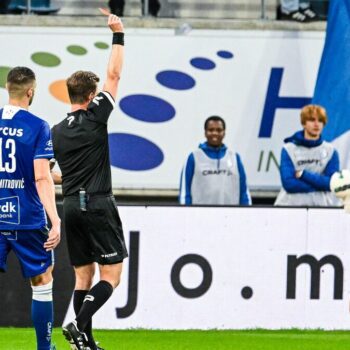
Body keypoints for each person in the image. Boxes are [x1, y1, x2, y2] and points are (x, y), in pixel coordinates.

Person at [51, 9, 128, 350]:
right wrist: (118, 34)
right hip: (96, 202)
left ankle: (86, 342)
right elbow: (114, 73)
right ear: (90, 96)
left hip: (69, 204)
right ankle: (78, 322)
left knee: (84, 275)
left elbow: (51, 174)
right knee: (111, 275)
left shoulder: (55, 131)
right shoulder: (96, 118)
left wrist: (64, 183)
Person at [0, 67, 61, 350]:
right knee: (42, 278)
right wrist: (55, 219)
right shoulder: (38, 126)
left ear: (7, 88)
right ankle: (44, 348)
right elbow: (40, 176)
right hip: (26, 217)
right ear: (30, 91)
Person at [275, 104, 341, 207]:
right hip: (289, 208)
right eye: (312, 120)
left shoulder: (331, 151)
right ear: (304, 123)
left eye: (320, 121)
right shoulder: (288, 149)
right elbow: (289, 184)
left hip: (322, 209)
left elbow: (331, 183)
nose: (316, 124)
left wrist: (303, 175)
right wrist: (319, 184)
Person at [179, 116, 251, 205]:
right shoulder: (194, 157)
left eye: (219, 130)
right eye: (211, 130)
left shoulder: (234, 157)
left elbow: (244, 192)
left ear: (224, 133)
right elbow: (185, 192)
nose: (215, 133)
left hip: (230, 216)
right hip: (201, 216)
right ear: (205, 133)